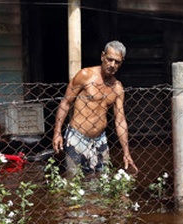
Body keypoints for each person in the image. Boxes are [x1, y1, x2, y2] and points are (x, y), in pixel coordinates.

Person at [52, 40, 137, 176]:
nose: (112, 65)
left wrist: (126, 153)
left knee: (101, 180)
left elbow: (120, 121)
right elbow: (66, 103)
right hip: (77, 136)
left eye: (117, 62)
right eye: (109, 59)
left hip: (100, 140)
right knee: (74, 180)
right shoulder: (85, 76)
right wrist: (57, 132)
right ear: (102, 56)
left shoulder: (117, 88)